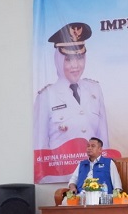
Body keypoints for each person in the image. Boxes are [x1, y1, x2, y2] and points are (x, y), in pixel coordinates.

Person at [33, 22, 109, 151]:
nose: (75, 65)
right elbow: (40, 149)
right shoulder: (46, 96)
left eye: (79, 58)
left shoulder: (95, 89)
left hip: (92, 164)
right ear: (58, 60)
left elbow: (104, 142)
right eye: (68, 59)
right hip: (61, 165)